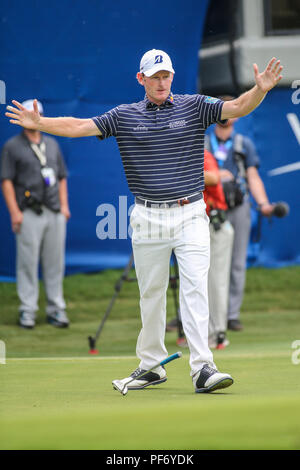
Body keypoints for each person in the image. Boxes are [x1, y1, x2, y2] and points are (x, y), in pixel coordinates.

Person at [5, 50, 282, 393]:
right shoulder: (124, 115)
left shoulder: (194, 105)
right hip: (148, 215)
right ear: (142, 79)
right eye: (155, 76)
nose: (162, 81)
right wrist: (41, 124)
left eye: (166, 75)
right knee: (151, 292)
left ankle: (203, 368)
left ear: (172, 77)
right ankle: (151, 365)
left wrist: (261, 90)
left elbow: (237, 107)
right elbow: (80, 126)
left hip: (191, 212)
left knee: (195, 287)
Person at [205, 95, 275, 332]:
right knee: (202, 263)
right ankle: (201, 314)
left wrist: (263, 203)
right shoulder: (202, 142)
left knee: (236, 261)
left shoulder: (244, 144)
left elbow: (253, 176)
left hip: (238, 205)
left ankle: (230, 314)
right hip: (208, 208)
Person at [1, 99, 70, 329]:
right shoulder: (13, 146)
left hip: (54, 211)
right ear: (22, 118)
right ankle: (27, 310)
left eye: (36, 114)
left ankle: (56, 309)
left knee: (55, 263)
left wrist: (64, 206)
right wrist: (14, 213)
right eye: (29, 114)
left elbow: (61, 176)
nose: (33, 118)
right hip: (29, 211)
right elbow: (7, 180)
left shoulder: (51, 143)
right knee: (27, 263)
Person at [203, 149, 234, 349]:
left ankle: (217, 334)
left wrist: (180, 170)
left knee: (216, 281)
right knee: (198, 282)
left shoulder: (199, 152)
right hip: (195, 225)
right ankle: (203, 334)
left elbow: (213, 178)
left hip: (215, 224)